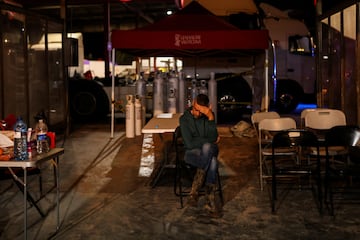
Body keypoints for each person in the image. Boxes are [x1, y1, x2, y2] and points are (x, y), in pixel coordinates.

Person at [179, 94, 221, 217]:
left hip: (209, 150)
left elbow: (212, 137)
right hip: (191, 154)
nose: (197, 113)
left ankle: (194, 191)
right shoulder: (184, 119)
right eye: (196, 109)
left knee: (208, 148)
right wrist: (207, 140)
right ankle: (210, 201)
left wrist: (210, 117)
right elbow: (189, 143)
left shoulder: (208, 117)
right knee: (212, 162)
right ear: (193, 104)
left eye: (201, 111)